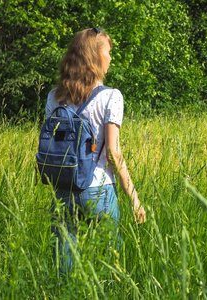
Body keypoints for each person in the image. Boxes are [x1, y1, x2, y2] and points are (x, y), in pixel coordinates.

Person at [46, 28, 146, 275]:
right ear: (94, 57)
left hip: (62, 187)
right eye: (107, 52)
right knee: (108, 266)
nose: (111, 58)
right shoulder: (111, 97)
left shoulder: (54, 97)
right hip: (98, 188)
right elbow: (113, 153)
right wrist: (134, 199)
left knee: (64, 266)